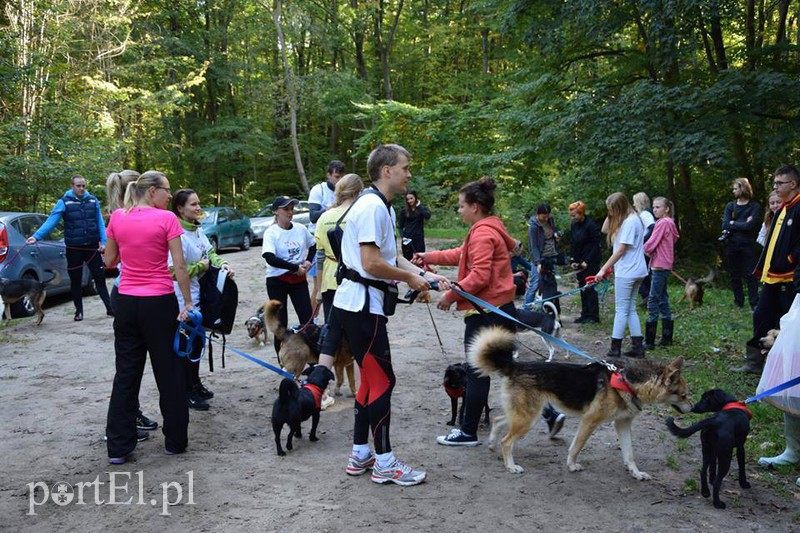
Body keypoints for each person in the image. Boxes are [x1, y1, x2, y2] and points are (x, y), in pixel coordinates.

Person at [417, 176, 565, 448]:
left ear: (475, 206)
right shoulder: (488, 228)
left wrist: (451, 295)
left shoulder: (483, 233)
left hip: (485, 313)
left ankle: (467, 432)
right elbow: (462, 254)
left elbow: (480, 275)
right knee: (510, 370)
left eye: (462, 205)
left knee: (476, 372)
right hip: (500, 309)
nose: (459, 210)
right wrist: (428, 256)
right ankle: (550, 413)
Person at [333, 143, 449, 486]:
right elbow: (370, 263)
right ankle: (384, 462)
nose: (409, 174)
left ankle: (360, 453)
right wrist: (410, 279)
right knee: (383, 381)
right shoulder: (372, 207)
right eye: (405, 168)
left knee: (371, 380)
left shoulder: (378, 205)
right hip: (362, 307)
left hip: (359, 306)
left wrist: (426, 275)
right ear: (387, 171)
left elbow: (390, 257)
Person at [104, 171, 193, 464]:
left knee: (126, 374)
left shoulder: (118, 217)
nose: (170, 195)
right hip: (159, 303)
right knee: (169, 373)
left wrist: (127, 250)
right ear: (152, 191)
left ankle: (118, 447)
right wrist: (188, 302)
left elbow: (109, 261)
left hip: (126, 302)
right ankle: (175, 442)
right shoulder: (166, 219)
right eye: (167, 190)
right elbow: (179, 266)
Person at [104, 170, 159, 439]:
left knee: (128, 367)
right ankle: (123, 422)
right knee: (130, 368)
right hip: (140, 295)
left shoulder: (117, 216)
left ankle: (128, 418)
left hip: (124, 293)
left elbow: (109, 259)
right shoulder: (129, 216)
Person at [169, 189, 235, 410]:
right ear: (180, 208)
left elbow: (210, 254)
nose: (198, 208)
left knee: (197, 343)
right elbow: (172, 271)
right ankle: (186, 391)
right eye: (193, 204)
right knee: (187, 346)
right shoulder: (177, 234)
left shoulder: (197, 230)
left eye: (198, 203)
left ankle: (195, 383)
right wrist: (201, 266)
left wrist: (222, 264)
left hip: (198, 297)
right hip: (182, 299)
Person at [734, 164, 800, 374]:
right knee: (761, 315)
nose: (775, 187)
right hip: (773, 277)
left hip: (790, 277)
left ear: (793, 184)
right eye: (774, 183)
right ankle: (756, 362)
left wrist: (790, 259)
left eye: (779, 183)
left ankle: (788, 367)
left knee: (788, 324)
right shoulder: (782, 209)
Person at [26, 175, 113, 321]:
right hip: (74, 248)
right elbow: (52, 221)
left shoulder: (93, 200)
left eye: (83, 186)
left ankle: (110, 309)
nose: (81, 188)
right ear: (72, 186)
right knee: (76, 280)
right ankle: (79, 312)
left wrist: (103, 242)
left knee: (99, 277)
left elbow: (99, 221)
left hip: (92, 247)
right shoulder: (64, 202)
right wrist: (36, 236)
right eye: (78, 186)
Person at [262, 196, 316, 355]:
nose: (290, 212)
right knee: (280, 324)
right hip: (277, 280)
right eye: (286, 209)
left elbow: (314, 245)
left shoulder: (300, 229)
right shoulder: (271, 232)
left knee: (308, 320)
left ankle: (312, 359)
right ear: (276, 212)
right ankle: (282, 361)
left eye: (292, 209)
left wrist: (308, 261)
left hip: (298, 280)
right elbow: (270, 258)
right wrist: (294, 267)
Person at [597, 192, 647, 358]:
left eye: (611, 209)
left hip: (627, 271)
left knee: (621, 310)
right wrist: (610, 213)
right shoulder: (631, 218)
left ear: (619, 208)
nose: (610, 213)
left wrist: (603, 269)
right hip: (636, 270)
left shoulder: (630, 222)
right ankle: (638, 347)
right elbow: (604, 229)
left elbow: (620, 250)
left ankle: (615, 348)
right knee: (630, 308)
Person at [642, 197, 679, 350]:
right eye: (654, 207)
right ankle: (667, 337)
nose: (655, 210)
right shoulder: (671, 223)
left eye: (658, 207)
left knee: (653, 299)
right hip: (665, 264)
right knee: (663, 299)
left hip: (659, 265)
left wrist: (642, 249)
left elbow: (652, 242)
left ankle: (650, 341)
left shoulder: (662, 223)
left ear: (666, 209)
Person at [721, 177, 762, 309]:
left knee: (751, 275)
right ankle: (738, 302)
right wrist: (742, 223)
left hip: (749, 245)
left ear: (743, 188)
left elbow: (750, 226)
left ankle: (754, 302)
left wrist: (734, 223)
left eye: (735, 188)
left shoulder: (754, 206)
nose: (733, 191)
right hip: (731, 244)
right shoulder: (730, 206)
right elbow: (725, 224)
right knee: (734, 275)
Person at [523, 202, 562, 312]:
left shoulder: (550, 220)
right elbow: (534, 246)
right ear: (538, 214)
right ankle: (526, 310)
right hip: (539, 258)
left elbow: (553, 233)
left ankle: (547, 309)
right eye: (543, 216)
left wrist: (557, 237)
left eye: (547, 216)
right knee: (535, 284)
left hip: (551, 256)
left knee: (550, 285)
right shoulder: (533, 227)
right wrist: (538, 262)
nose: (546, 219)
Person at [568, 201, 601, 324]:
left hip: (591, 261)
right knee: (582, 287)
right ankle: (585, 313)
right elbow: (573, 243)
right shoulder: (574, 225)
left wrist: (587, 261)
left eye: (574, 215)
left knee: (590, 288)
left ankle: (593, 315)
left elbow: (595, 245)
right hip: (579, 260)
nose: (573, 218)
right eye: (571, 216)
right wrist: (573, 259)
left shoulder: (591, 225)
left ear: (581, 213)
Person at [632, 192, 655, 304]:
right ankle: (650, 297)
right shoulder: (647, 213)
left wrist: (643, 241)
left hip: (644, 249)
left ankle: (648, 296)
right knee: (645, 274)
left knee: (639, 274)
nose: (633, 204)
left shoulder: (645, 214)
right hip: (644, 249)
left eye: (635, 202)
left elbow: (652, 227)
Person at [397, 190, 431, 260]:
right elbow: (400, 226)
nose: (409, 201)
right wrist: (403, 237)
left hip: (418, 238)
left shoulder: (421, 209)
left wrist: (419, 206)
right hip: (407, 238)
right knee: (407, 260)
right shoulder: (404, 211)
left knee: (420, 259)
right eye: (407, 199)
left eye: (411, 198)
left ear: (415, 198)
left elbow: (427, 216)